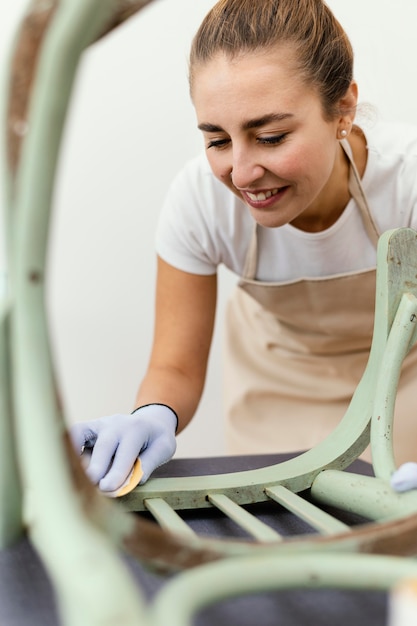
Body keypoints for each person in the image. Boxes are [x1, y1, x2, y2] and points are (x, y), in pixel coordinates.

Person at [71, 0, 417, 493]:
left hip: (404, 389)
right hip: (277, 391)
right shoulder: (199, 202)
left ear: (343, 109)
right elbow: (174, 367)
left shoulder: (408, 182)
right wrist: (152, 415)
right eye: (217, 140)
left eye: (271, 137)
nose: (241, 172)